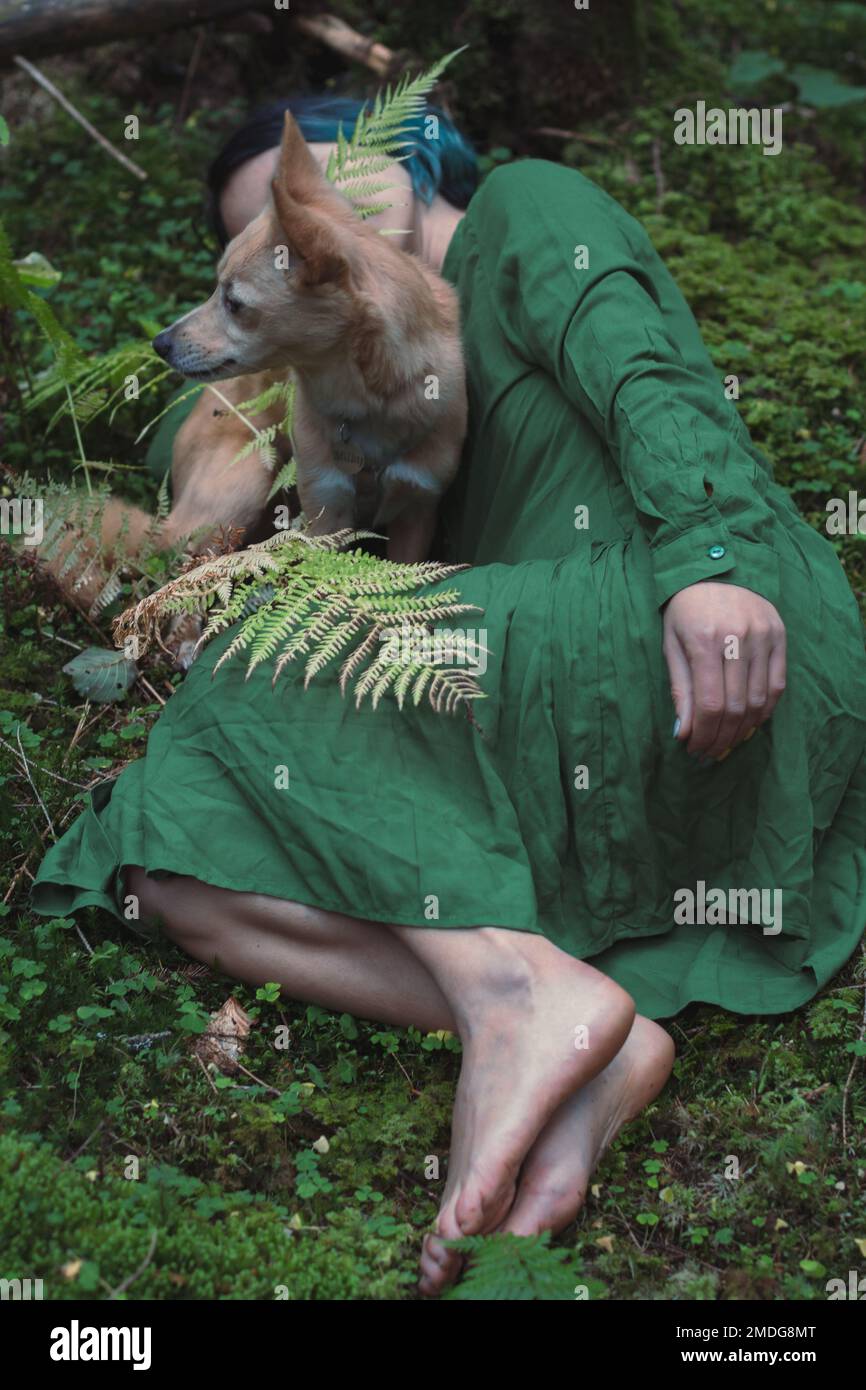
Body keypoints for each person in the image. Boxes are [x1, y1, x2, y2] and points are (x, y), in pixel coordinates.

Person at [33, 95, 866, 1297]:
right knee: (171, 866)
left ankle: (517, 997)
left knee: (252, 664)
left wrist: (706, 564)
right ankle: (573, 1028)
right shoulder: (373, 406)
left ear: (405, 157)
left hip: (682, 611)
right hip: (588, 708)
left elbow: (644, 371)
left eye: (305, 201)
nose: (306, 242)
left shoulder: (521, 209)